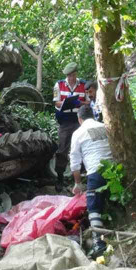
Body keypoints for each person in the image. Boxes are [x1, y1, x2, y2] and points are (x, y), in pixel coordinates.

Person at [70, 105, 113, 259]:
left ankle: (98, 243)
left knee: (93, 204)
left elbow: (75, 161)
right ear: (93, 116)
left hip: (96, 171)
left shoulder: (78, 133)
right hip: (114, 169)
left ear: (79, 119)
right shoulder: (104, 126)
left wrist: (78, 183)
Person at [53, 62, 87, 192]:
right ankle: (60, 178)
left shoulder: (83, 85)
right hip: (65, 122)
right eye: (69, 76)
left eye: (73, 75)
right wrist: (66, 103)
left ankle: (81, 177)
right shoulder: (59, 84)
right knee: (62, 150)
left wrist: (79, 102)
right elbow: (55, 102)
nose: (71, 78)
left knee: (82, 147)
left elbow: (90, 101)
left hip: (80, 121)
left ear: (76, 74)